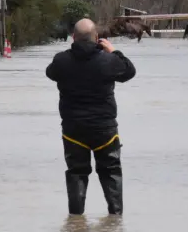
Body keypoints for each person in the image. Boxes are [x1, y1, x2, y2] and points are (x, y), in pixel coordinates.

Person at [45, 18, 136, 215]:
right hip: (105, 130)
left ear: (73, 37)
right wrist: (113, 50)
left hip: (73, 130)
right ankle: (115, 219)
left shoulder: (61, 60)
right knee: (111, 172)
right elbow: (129, 71)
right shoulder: (109, 60)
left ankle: (76, 221)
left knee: (76, 173)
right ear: (97, 38)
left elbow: (50, 73)